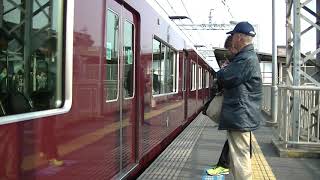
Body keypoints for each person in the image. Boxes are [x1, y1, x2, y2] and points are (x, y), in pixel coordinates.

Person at [216, 21, 262, 180]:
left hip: (241, 114)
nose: (233, 39)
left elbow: (227, 77)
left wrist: (222, 72)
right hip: (241, 114)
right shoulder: (246, 57)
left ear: (240, 38)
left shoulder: (246, 58)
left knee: (241, 158)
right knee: (236, 157)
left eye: (234, 35)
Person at [206, 35, 238, 176]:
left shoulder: (243, 61)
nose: (229, 52)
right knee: (238, 143)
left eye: (229, 49)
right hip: (240, 111)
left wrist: (222, 73)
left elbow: (225, 78)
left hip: (240, 111)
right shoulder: (242, 60)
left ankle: (223, 165)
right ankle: (223, 164)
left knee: (238, 143)